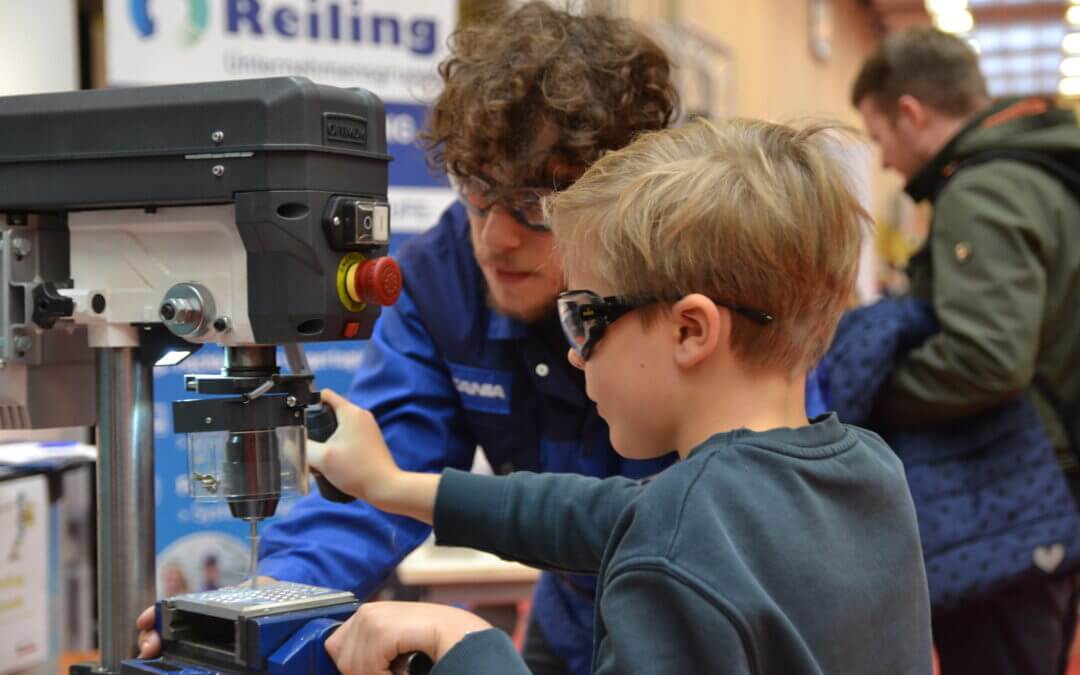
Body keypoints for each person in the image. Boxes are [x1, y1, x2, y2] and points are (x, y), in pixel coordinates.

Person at [139, 4, 681, 671]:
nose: (495, 237)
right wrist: (270, 600)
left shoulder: (688, 280)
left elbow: (714, 518)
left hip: (697, 614)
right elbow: (371, 484)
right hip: (571, 614)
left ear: (625, 189)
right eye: (477, 190)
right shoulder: (440, 280)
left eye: (538, 206)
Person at [309, 117, 934, 674]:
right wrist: (390, 484)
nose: (577, 352)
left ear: (691, 330)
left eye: (584, 316)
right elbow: (597, 513)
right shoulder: (869, 470)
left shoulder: (675, 547)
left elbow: (652, 527)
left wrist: (464, 642)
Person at [851, 26, 1080, 675]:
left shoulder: (983, 191)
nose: (886, 159)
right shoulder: (1041, 169)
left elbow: (988, 359)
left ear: (912, 112)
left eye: (878, 136)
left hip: (1010, 492)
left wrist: (876, 393)